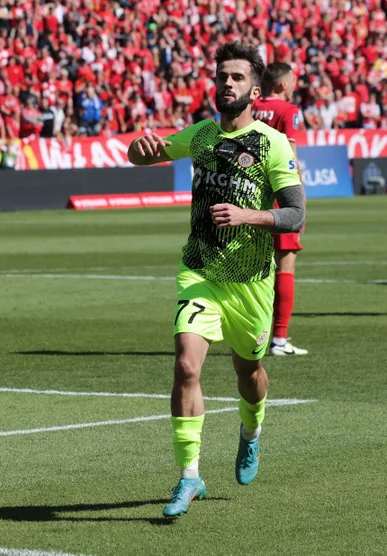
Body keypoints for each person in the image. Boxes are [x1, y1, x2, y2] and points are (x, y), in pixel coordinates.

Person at [126, 41, 305, 519]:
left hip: (250, 281)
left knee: (249, 374)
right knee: (186, 365)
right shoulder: (202, 134)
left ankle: (251, 433)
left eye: (237, 78)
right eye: (222, 76)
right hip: (201, 271)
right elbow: (145, 155)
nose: (227, 83)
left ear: (255, 90)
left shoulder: (272, 144)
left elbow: (295, 215)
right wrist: (138, 149)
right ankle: (189, 477)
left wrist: (249, 215)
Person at [251, 62, 308, 356]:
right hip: (278, 195)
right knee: (285, 263)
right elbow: (290, 156)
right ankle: (279, 341)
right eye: (294, 79)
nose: (297, 83)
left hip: (247, 194)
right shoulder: (289, 111)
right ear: (283, 84)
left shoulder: (248, 105)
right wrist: (299, 200)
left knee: (249, 266)